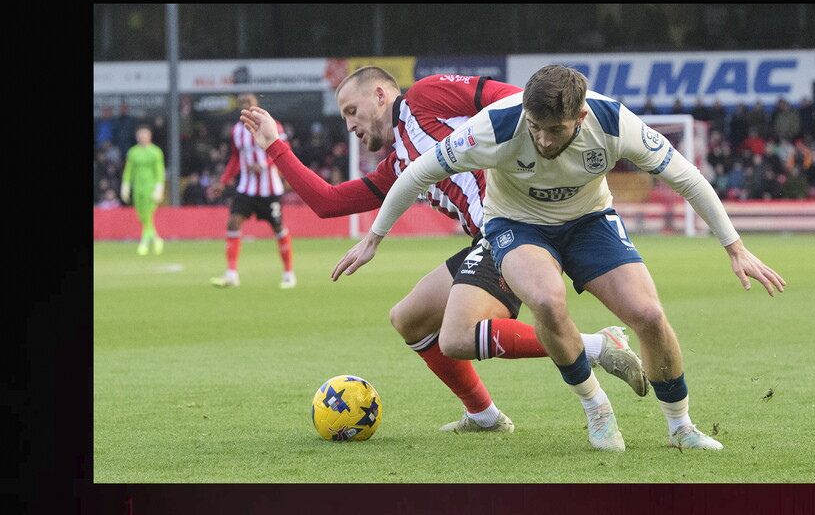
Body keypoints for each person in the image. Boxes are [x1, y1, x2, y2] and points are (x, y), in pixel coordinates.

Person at [332, 65, 786, 452]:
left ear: (580, 116)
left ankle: (681, 426)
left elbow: (686, 177)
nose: (543, 140)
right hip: (517, 225)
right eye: (536, 128)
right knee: (547, 302)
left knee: (648, 314)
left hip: (590, 220)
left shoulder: (613, 121)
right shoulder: (496, 126)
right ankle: (596, 406)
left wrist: (735, 248)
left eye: (555, 130)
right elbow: (417, 172)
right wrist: (373, 239)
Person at [239, 67, 649, 434]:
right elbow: (327, 202)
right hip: (486, 239)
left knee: (457, 335)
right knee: (409, 319)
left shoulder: (426, 95)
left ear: (380, 95)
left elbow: (515, 100)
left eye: (351, 111)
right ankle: (484, 415)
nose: (349, 125)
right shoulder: (398, 166)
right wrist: (275, 145)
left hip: (513, 228)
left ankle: (596, 346)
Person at [210, 93, 296, 289]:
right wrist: (223, 181)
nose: (246, 105)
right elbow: (235, 158)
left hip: (269, 189)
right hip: (246, 188)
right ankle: (231, 274)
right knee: (233, 223)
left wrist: (263, 165)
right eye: (242, 103)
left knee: (278, 228)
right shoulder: (237, 130)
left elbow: (284, 149)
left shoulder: (272, 124)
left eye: (249, 102)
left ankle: (288, 273)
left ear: (256, 104)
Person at [120, 126, 166, 255]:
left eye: (144, 135)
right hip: (137, 187)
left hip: (150, 187)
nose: (142, 137)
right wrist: (125, 185)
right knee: (141, 216)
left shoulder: (156, 152)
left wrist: (159, 188)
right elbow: (128, 170)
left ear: (149, 136)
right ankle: (156, 239)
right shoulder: (133, 152)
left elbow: (159, 171)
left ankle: (144, 242)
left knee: (148, 214)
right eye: (140, 135)